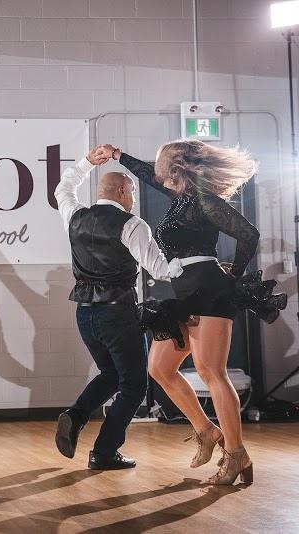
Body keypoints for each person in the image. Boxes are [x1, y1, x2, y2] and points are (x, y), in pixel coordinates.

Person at [108, 140, 286, 485]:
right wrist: (117, 156)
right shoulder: (180, 199)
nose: (158, 176)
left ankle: (235, 452)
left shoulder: (205, 200)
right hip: (185, 293)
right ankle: (207, 431)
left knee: (210, 371)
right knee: (160, 367)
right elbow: (146, 174)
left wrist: (234, 274)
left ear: (176, 169)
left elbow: (248, 234)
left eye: (163, 169)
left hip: (210, 292)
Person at [54, 145, 173, 470]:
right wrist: (195, 265)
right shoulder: (133, 225)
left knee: (110, 374)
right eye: (131, 191)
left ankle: (76, 415)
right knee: (134, 385)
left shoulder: (75, 216)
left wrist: (86, 163)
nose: (133, 198)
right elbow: (160, 269)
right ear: (121, 192)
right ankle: (104, 452)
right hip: (117, 314)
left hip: (84, 313)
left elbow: (63, 188)